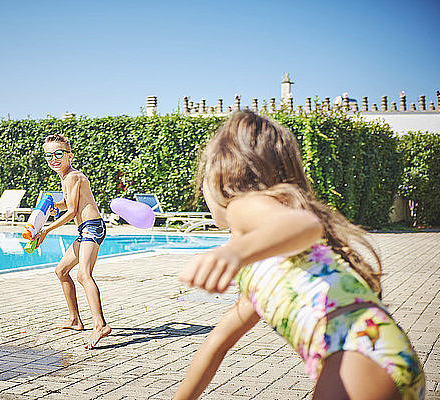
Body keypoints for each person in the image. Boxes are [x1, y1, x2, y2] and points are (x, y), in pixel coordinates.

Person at [174, 111, 425, 400]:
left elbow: (303, 225)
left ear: (224, 174)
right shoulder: (262, 272)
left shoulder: (243, 207)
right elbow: (215, 345)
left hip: (355, 348)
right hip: (374, 349)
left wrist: (234, 252)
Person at [34, 133, 111, 349]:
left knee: (83, 274)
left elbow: (72, 211)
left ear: (70, 155)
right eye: (48, 155)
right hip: (85, 229)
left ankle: (100, 324)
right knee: (61, 271)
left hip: (92, 228)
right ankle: (75, 319)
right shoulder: (66, 177)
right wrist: (51, 205)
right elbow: (66, 204)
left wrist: (46, 230)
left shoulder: (73, 177)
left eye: (59, 153)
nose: (53, 159)